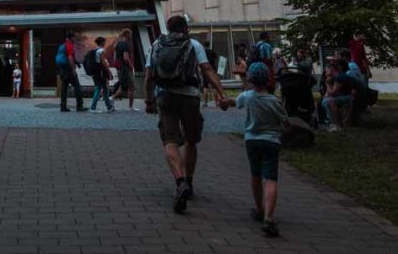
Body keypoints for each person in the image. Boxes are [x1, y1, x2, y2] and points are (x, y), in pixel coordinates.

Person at [145, 15, 229, 213]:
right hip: (189, 97)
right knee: (191, 140)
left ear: (168, 28)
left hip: (164, 96)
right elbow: (206, 69)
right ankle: (189, 183)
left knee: (170, 141)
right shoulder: (193, 44)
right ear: (186, 29)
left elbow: (149, 76)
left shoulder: (157, 44)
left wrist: (149, 101)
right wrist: (221, 93)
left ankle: (179, 181)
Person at [236, 62, 290, 238]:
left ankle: (259, 209)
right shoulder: (275, 101)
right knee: (271, 178)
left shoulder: (247, 96)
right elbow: (285, 122)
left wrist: (224, 101)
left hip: (251, 140)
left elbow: (234, 102)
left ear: (250, 80)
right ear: (268, 80)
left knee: (256, 175)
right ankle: (269, 217)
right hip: (271, 142)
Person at [321, 59, 356, 131]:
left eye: (326, 70)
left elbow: (333, 92)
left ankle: (335, 124)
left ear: (331, 70)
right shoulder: (340, 76)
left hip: (353, 97)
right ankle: (334, 123)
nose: (325, 73)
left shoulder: (339, 77)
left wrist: (327, 84)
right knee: (326, 100)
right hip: (351, 96)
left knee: (328, 102)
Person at [55, 31, 86, 112]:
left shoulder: (63, 45)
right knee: (77, 87)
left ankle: (63, 106)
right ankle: (79, 106)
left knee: (64, 88)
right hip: (68, 70)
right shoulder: (69, 46)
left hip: (62, 69)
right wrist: (73, 70)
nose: (75, 39)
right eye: (75, 37)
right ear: (71, 38)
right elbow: (70, 58)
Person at [110, 28, 138, 109]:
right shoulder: (125, 44)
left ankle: (113, 98)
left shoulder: (117, 43)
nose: (131, 36)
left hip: (120, 67)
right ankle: (130, 106)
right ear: (127, 34)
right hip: (125, 68)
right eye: (130, 34)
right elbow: (126, 58)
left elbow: (115, 58)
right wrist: (131, 66)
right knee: (131, 87)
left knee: (123, 86)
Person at [89, 36, 115, 113]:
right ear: (102, 42)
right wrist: (109, 72)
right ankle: (93, 107)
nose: (105, 43)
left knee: (104, 89)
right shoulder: (101, 51)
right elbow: (103, 62)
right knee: (100, 89)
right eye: (104, 42)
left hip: (96, 72)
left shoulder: (95, 50)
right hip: (101, 72)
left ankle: (109, 106)